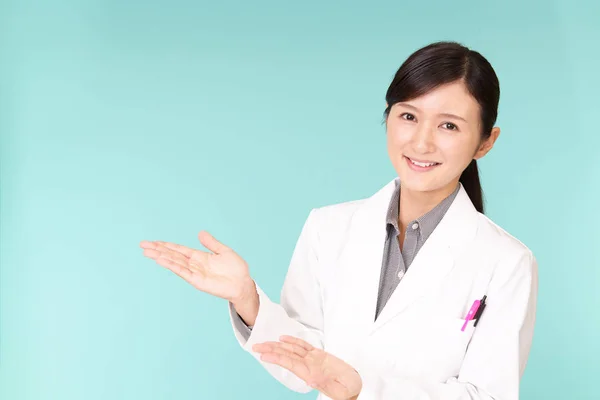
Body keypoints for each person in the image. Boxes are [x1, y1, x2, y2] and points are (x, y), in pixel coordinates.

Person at [140, 41, 538, 400]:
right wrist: (247, 298)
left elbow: (487, 397)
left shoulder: (507, 262)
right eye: (408, 116)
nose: (421, 142)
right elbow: (303, 364)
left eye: (448, 125)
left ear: (486, 141)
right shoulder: (327, 227)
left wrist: (364, 388)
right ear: (388, 118)